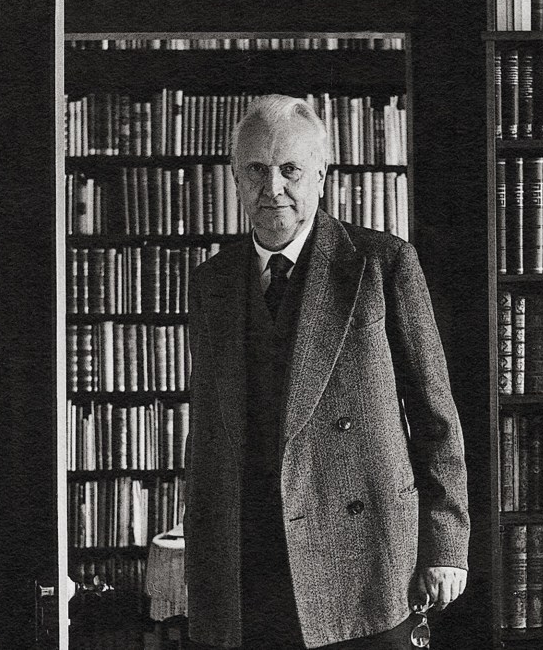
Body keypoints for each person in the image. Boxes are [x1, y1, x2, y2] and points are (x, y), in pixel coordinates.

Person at [184, 94, 469, 649]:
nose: (274, 188)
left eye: (290, 169)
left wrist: (446, 545)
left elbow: (437, 417)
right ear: (235, 179)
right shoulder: (211, 283)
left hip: (362, 554)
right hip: (247, 556)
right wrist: (200, 559)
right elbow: (208, 438)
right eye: (256, 171)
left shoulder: (383, 264)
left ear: (321, 175)